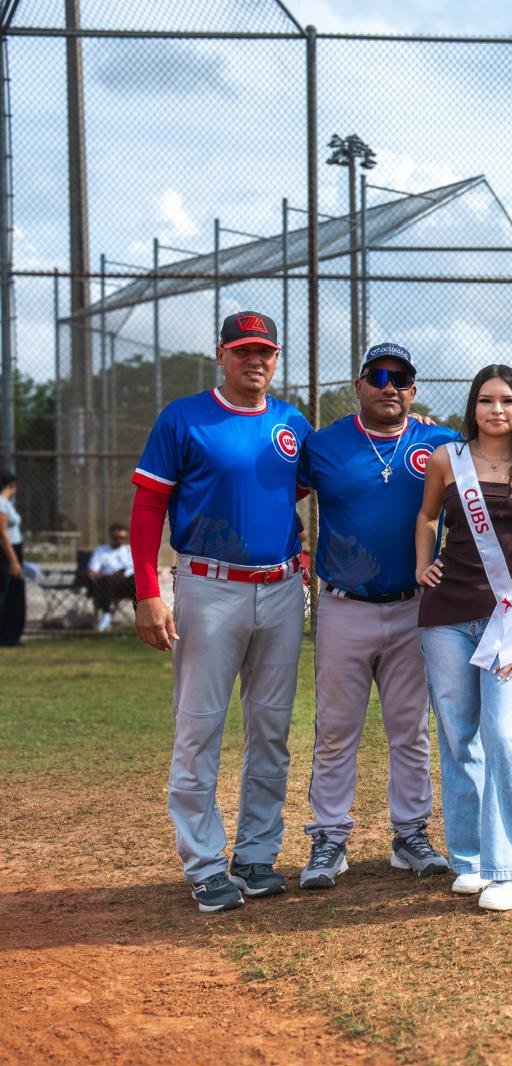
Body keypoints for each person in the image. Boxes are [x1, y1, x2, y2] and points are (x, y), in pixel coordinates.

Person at [131, 311, 310, 913]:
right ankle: (205, 864)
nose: (253, 360)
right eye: (242, 350)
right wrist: (148, 589)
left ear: (275, 357)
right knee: (199, 726)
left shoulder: (292, 422)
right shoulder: (184, 417)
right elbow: (147, 508)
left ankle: (257, 856)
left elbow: (296, 490)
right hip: (208, 586)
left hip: (283, 588)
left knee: (271, 729)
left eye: (264, 350)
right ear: (221, 355)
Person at [295, 342, 459, 890]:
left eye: (402, 378)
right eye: (379, 376)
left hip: (415, 606)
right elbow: (281, 497)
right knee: (337, 728)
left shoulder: (439, 442)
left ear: (414, 390)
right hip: (345, 604)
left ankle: (410, 835)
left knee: (410, 729)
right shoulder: (324, 445)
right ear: (360, 384)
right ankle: (329, 838)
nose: (390, 386)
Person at [415, 365, 512, 912]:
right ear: (472, 406)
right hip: (445, 617)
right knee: (458, 738)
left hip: (508, 622)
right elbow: (427, 518)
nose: (496, 410)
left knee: (504, 735)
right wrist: (422, 565)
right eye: (486, 400)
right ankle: (470, 859)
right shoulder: (447, 460)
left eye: (507, 401)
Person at [86, 522, 136, 632]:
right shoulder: (101, 551)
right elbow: (92, 572)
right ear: (110, 536)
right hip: (108, 585)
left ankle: (141, 614)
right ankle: (106, 615)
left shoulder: (129, 550)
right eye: (116, 538)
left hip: (128, 583)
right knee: (107, 580)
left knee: (138, 580)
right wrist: (110, 575)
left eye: (122, 538)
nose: (119, 541)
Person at [0, 471, 23, 647]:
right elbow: (3, 534)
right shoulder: (1, 503)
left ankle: (10, 635)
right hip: (7, 553)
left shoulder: (7, 503)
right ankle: (5, 635)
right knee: (6, 594)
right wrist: (13, 561)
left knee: (14, 593)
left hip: (14, 550)